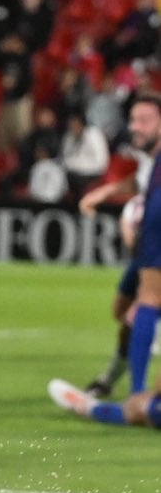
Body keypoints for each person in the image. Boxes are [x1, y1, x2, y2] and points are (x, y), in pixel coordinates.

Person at [49, 92, 161, 411]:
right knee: (123, 312)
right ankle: (121, 379)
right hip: (143, 245)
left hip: (151, 239)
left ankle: (136, 396)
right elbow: (138, 184)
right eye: (133, 119)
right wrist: (106, 192)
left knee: (146, 305)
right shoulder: (147, 158)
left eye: (144, 120)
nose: (134, 126)